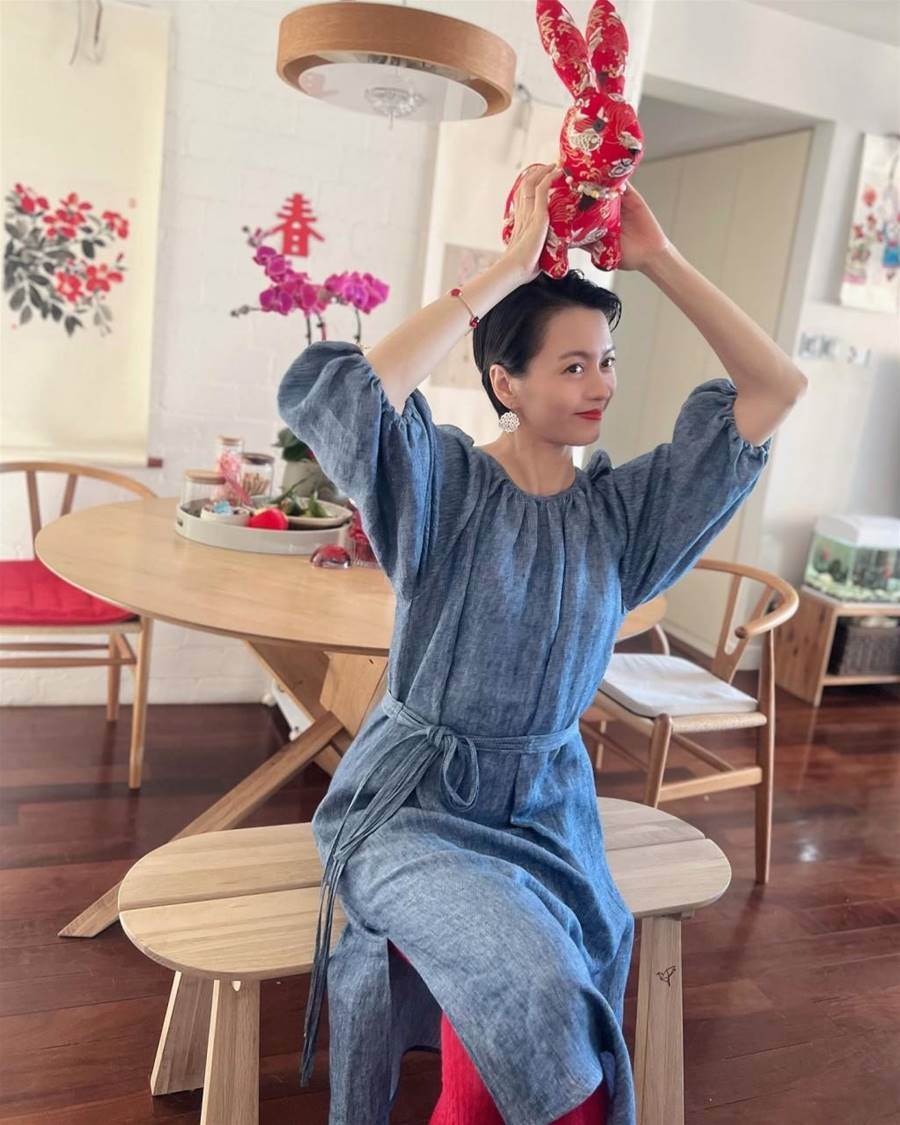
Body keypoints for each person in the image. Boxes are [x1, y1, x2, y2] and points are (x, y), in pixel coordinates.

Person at [277, 163, 808, 1125]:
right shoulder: (443, 487)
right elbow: (344, 394)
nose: (602, 384)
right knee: (533, 989)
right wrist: (511, 267)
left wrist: (659, 257)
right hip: (415, 810)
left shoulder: (623, 515)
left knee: (550, 1003)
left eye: (607, 360)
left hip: (552, 816)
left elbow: (777, 386)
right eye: (572, 365)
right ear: (504, 383)